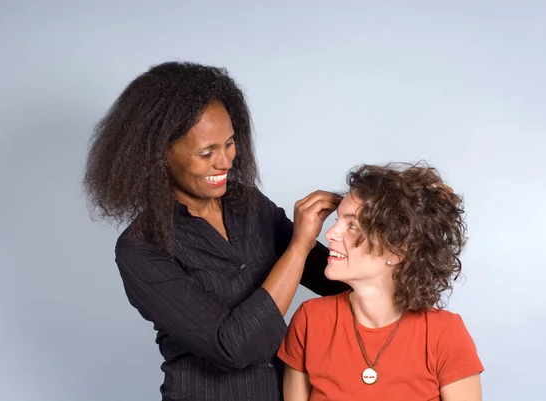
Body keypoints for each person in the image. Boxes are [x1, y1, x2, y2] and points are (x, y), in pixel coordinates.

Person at [83, 61, 348, 401]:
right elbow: (232, 347)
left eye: (229, 143)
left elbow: (334, 279)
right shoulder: (141, 249)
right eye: (206, 152)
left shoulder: (247, 202)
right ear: (159, 155)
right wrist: (298, 245)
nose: (224, 162)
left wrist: (400, 217)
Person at [278, 162, 484, 401]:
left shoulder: (444, 334)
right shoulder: (310, 320)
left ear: (397, 250)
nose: (330, 233)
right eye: (337, 221)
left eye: (352, 225)